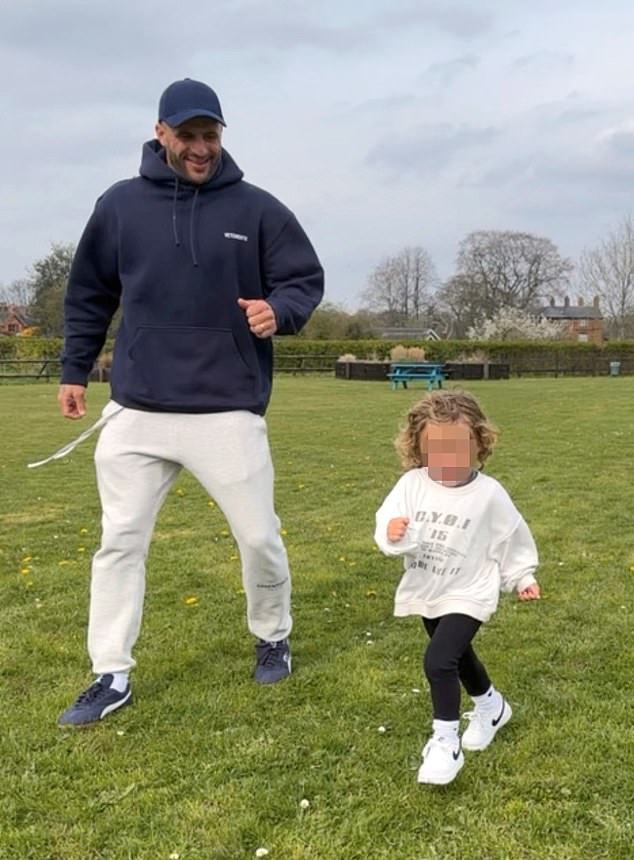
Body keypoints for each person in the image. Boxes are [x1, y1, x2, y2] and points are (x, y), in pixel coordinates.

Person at [55, 78, 324, 727]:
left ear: (221, 136)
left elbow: (303, 279)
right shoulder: (119, 206)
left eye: (211, 134)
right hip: (138, 409)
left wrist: (278, 311)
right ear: (161, 134)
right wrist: (73, 369)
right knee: (119, 542)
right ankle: (110, 672)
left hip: (226, 407)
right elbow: (90, 293)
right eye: (188, 135)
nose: (201, 147)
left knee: (259, 537)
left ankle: (272, 634)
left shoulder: (258, 209)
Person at [374, 390, 540, 785]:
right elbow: (388, 522)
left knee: (438, 661)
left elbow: (512, 537)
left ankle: (445, 743)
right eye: (437, 450)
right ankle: (492, 707)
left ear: (479, 444)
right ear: (419, 448)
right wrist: (394, 532)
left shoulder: (489, 494)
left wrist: (523, 576)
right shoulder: (412, 484)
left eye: (458, 449)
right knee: (459, 657)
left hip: (471, 589)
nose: (447, 460)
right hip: (429, 586)